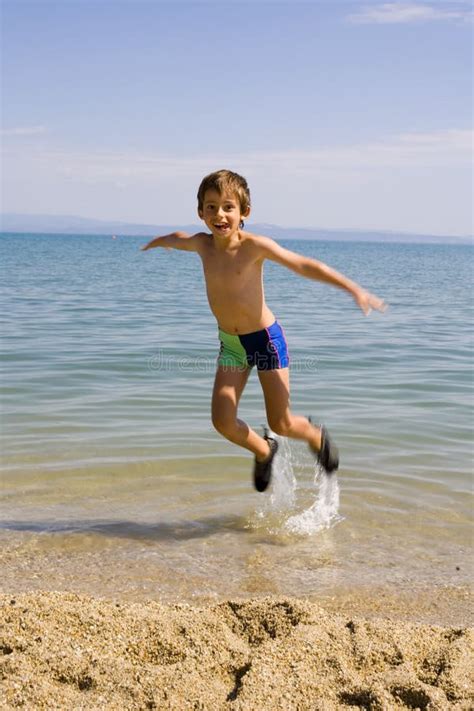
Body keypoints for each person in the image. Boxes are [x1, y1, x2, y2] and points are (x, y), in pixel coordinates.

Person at [141, 170, 386, 492]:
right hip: (231, 345)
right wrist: (158, 243)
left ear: (244, 213)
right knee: (223, 422)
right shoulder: (202, 245)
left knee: (281, 422)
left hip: (265, 341)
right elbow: (176, 237)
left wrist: (353, 289)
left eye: (228, 207)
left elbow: (303, 265)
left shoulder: (254, 246)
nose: (219, 214)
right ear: (200, 212)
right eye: (211, 207)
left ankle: (315, 435)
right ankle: (263, 450)